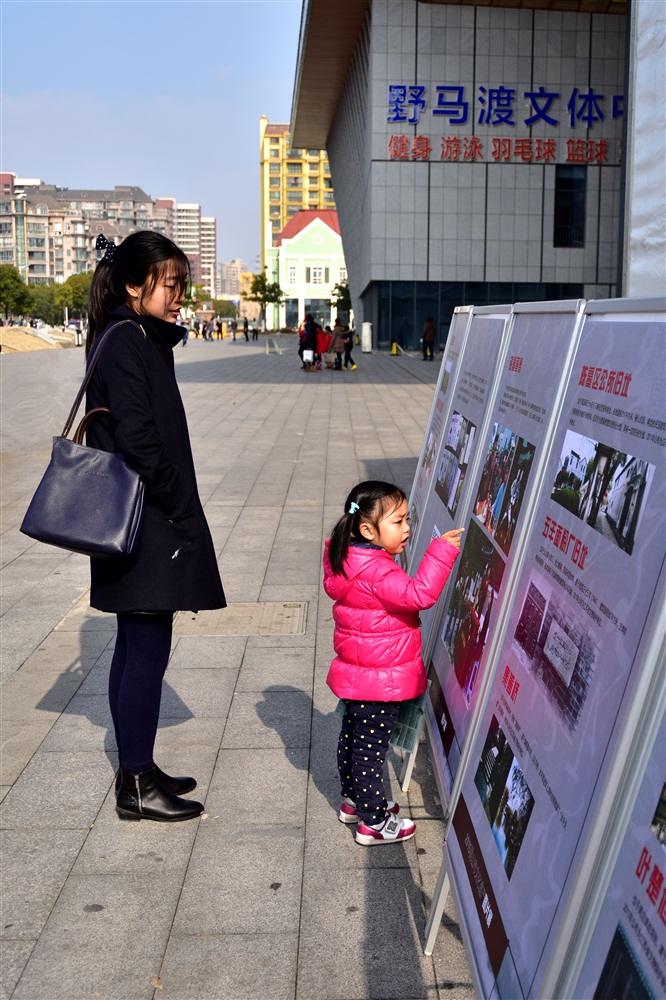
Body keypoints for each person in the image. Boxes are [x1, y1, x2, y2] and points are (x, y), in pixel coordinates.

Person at [85, 231, 226, 823]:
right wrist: (177, 500)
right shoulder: (127, 341)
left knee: (134, 643)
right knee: (146, 648)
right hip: (145, 520)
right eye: (170, 284)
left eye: (181, 285)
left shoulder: (136, 335)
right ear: (132, 285)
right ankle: (137, 783)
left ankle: (135, 769)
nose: (179, 296)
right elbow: (139, 438)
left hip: (141, 516)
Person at [323, 481, 463, 845]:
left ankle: (354, 802)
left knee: (352, 740)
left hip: (359, 676)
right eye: (398, 522)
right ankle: (374, 822)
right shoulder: (379, 571)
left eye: (407, 520)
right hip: (379, 683)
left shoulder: (348, 558)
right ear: (368, 530)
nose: (407, 529)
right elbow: (420, 594)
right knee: (370, 752)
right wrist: (441, 552)